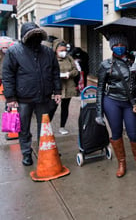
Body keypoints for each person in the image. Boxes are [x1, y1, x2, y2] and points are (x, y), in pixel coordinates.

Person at [2, 22, 62, 166]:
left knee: (44, 127)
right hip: (23, 99)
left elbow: (55, 72)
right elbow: (7, 75)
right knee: (24, 128)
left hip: (43, 97)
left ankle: (45, 149)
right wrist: (10, 97)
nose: (35, 38)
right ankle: (26, 153)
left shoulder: (47, 52)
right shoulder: (14, 51)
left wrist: (57, 90)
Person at [95, 33, 136, 178]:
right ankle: (122, 163)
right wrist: (98, 113)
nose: (119, 48)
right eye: (116, 45)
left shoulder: (135, 61)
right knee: (116, 133)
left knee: (133, 134)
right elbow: (100, 89)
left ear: (126, 46)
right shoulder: (105, 64)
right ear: (112, 47)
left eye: (122, 45)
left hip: (130, 103)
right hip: (112, 101)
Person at [48, 39, 79, 135]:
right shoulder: (51, 59)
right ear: (55, 50)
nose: (63, 52)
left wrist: (69, 74)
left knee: (65, 108)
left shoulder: (69, 58)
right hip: (56, 88)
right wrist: (58, 75)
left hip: (68, 86)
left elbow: (76, 70)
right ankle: (46, 127)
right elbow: (48, 72)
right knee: (52, 108)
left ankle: (62, 127)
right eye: (61, 50)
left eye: (65, 50)